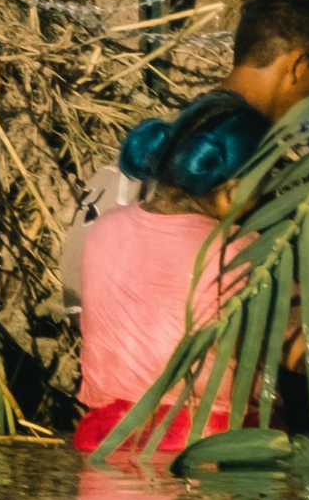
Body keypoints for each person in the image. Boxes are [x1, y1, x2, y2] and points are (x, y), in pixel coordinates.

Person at [71, 92, 263, 461]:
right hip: (206, 444)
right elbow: (295, 353)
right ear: (232, 191)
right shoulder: (239, 250)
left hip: (105, 440)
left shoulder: (102, 230)